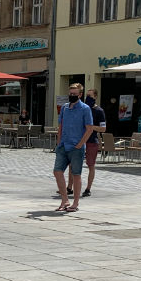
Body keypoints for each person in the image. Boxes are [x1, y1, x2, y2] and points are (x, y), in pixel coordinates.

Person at [54, 83, 94, 212]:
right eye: (70, 93)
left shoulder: (85, 109)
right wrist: (59, 142)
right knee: (57, 171)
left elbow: (89, 129)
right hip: (63, 145)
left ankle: (75, 203)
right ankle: (65, 199)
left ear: (80, 95)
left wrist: (80, 144)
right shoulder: (65, 108)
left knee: (76, 174)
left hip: (76, 146)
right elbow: (60, 126)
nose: (71, 96)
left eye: (74, 94)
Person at [79, 89, 107, 197]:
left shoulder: (99, 111)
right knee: (74, 164)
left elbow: (103, 128)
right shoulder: (82, 109)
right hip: (79, 140)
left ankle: (88, 188)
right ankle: (70, 187)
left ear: (95, 97)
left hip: (91, 141)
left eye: (90, 96)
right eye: (86, 95)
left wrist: (91, 127)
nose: (87, 98)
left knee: (91, 165)